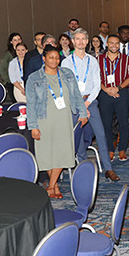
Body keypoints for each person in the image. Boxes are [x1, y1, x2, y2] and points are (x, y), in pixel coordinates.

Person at [25, 45, 88, 198]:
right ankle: (55, 186)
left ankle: (51, 186)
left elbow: (77, 95)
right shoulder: (34, 78)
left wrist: (83, 112)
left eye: (57, 57)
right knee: (46, 154)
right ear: (44, 58)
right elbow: (31, 104)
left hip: (63, 119)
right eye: (51, 57)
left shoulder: (67, 74)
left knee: (62, 152)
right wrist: (33, 126)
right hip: (43, 119)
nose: (54, 60)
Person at [61, 28, 119, 181]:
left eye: (83, 39)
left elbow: (96, 85)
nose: (80, 41)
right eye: (77, 39)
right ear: (73, 42)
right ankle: (83, 168)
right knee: (78, 136)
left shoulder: (92, 60)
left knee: (100, 134)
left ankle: (108, 168)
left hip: (90, 101)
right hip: (74, 103)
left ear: (87, 42)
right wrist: (80, 106)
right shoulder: (66, 62)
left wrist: (86, 104)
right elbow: (67, 87)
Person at [98, 35, 129, 162]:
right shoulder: (98, 59)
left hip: (121, 93)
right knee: (106, 123)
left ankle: (122, 150)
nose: (114, 45)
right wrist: (106, 89)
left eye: (116, 43)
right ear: (107, 44)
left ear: (119, 45)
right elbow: (94, 78)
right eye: (111, 43)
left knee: (123, 123)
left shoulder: (126, 59)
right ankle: (110, 149)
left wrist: (117, 88)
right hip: (104, 94)